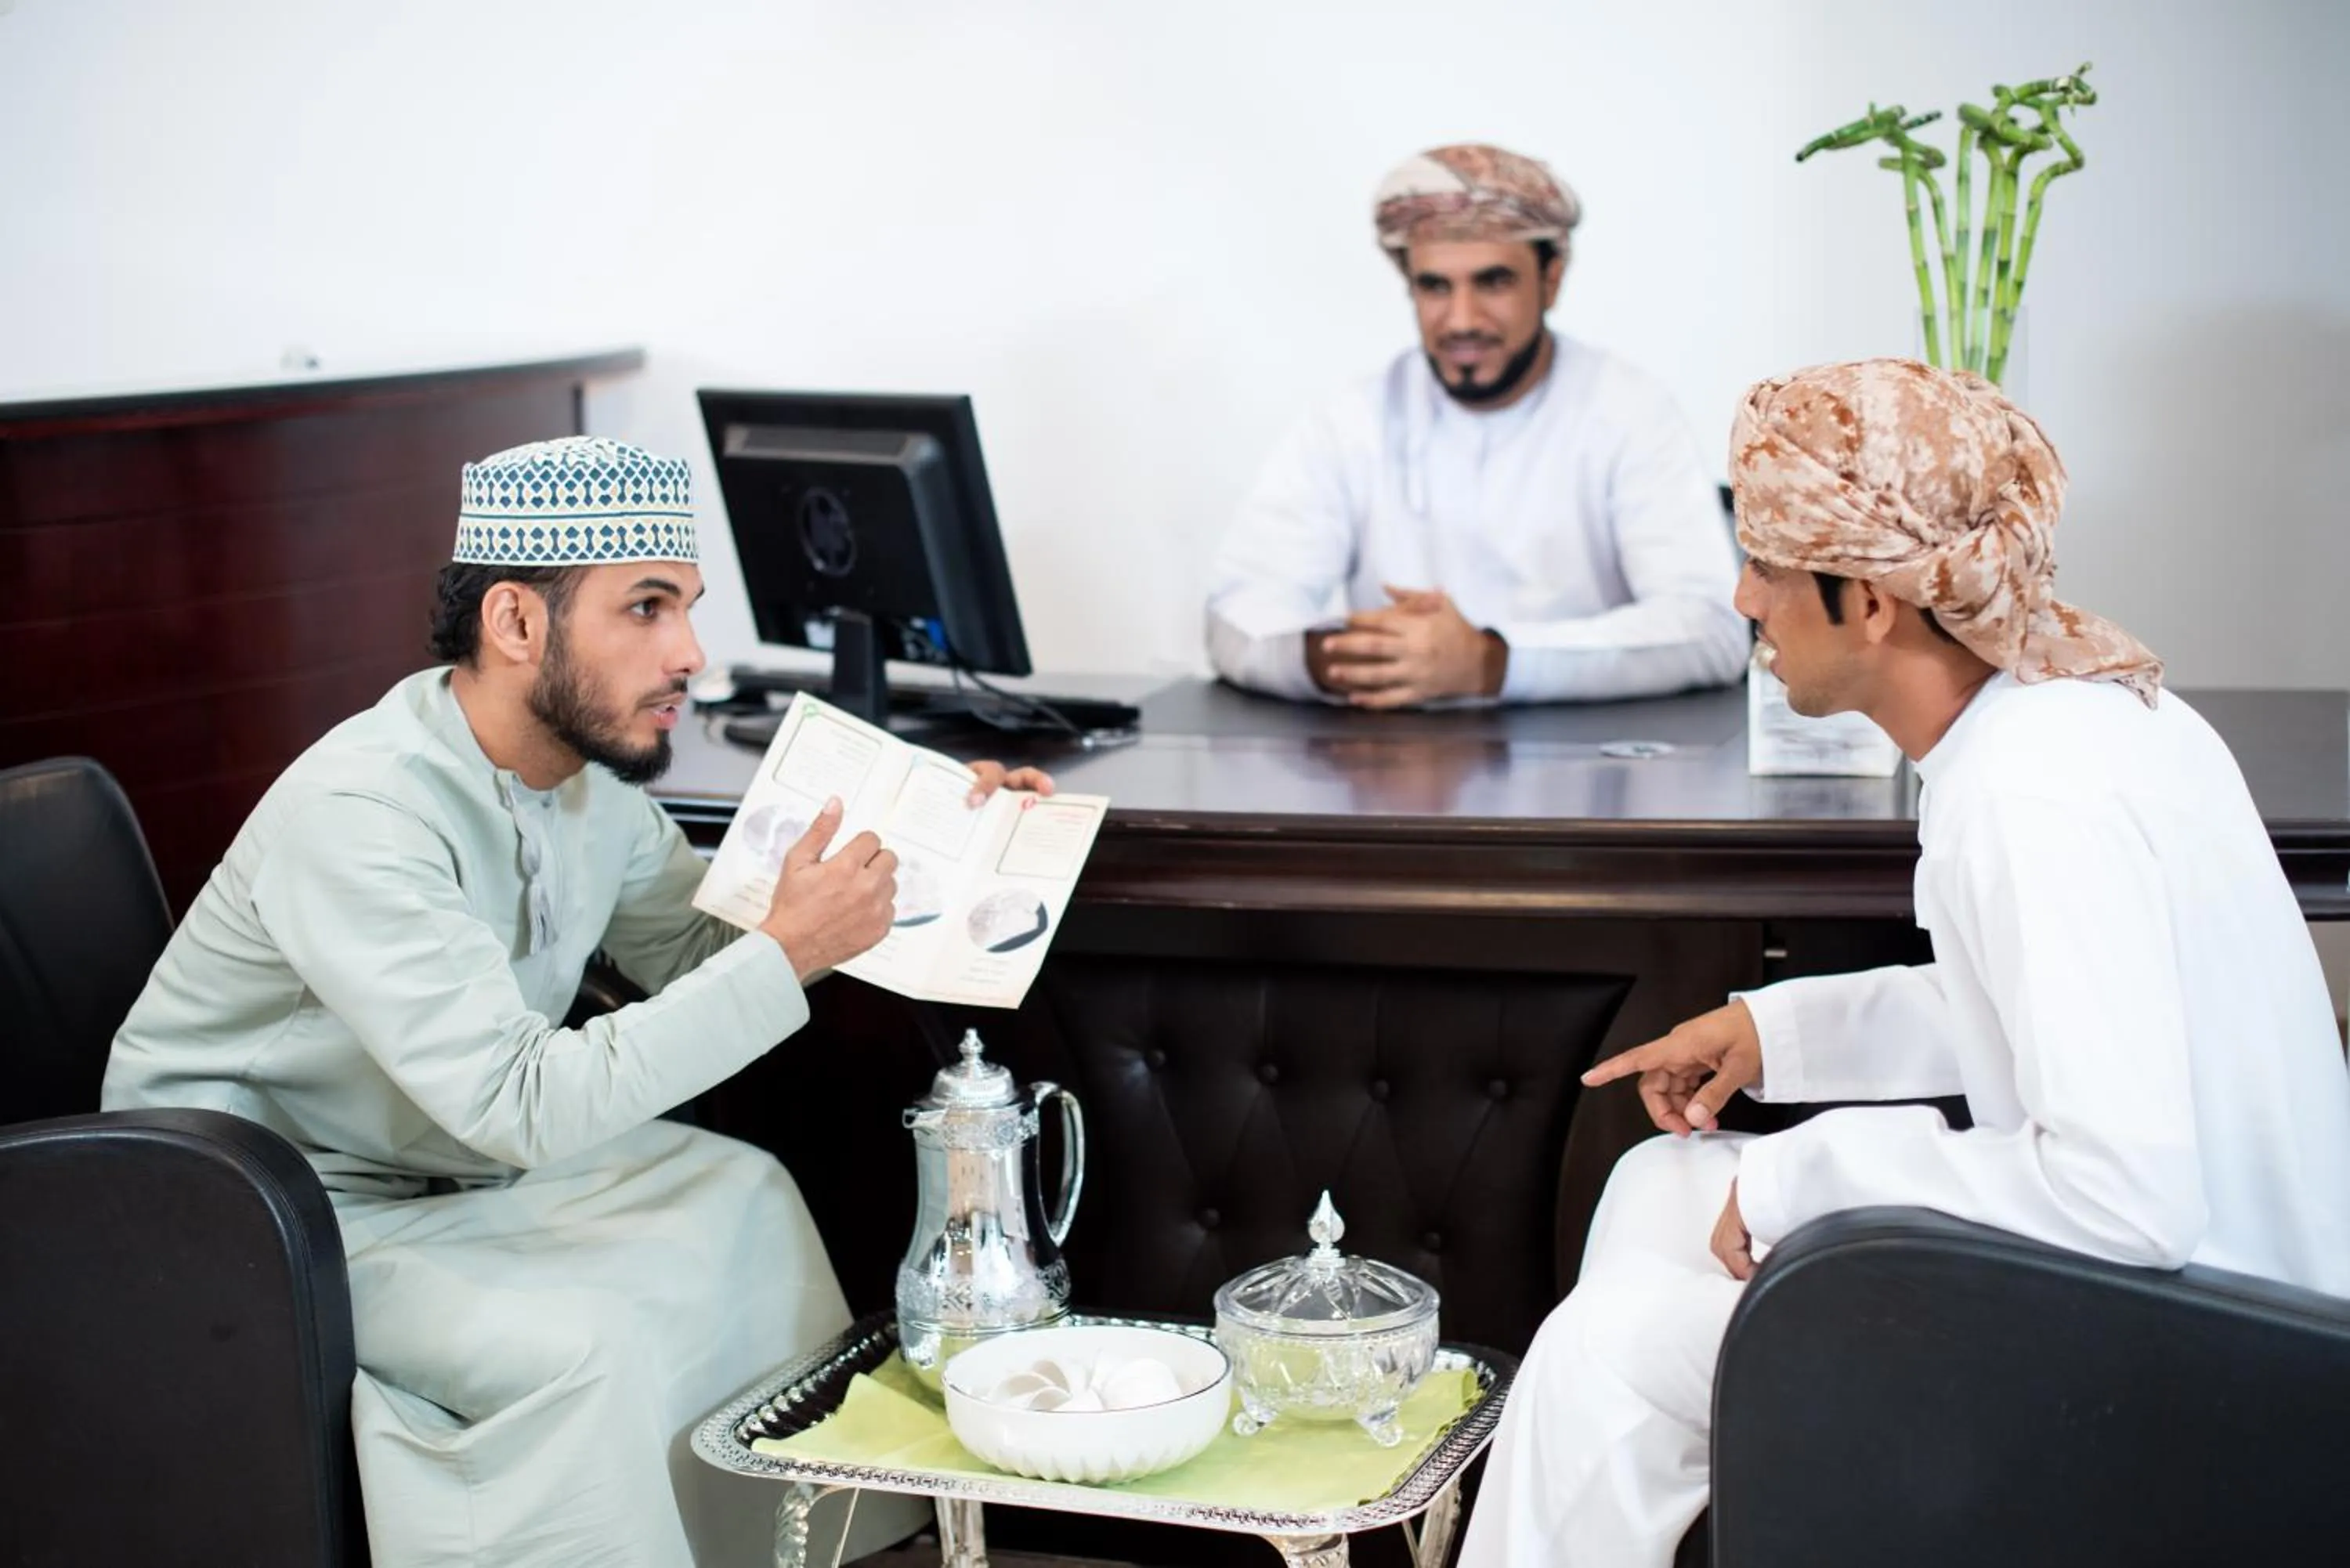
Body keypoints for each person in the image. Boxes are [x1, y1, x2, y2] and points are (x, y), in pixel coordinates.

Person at [1456, 359, 2350, 1567]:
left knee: (1599, 1355)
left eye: (1768, 562)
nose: (1742, 595)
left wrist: (1804, 1174)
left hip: (2214, 1366)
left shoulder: (2038, 796)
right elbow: (2050, 1006)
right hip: (2199, 1307)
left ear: (1874, 601)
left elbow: (2124, 1198)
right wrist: (1775, 1033)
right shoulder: (2066, 717)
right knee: (1657, 1187)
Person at [101, 435, 1051, 1568]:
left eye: (688, 609)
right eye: (645, 609)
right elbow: (522, 1104)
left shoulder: (580, 783)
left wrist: (952, 834)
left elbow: (712, 949)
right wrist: (785, 946)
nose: (691, 653)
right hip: (265, 1209)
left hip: (444, 1158)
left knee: (743, 1193)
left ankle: (809, 1552)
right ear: (515, 623)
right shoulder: (361, 812)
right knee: (581, 1339)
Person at [1206, 143, 1747, 707]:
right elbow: (1237, 614)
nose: (1461, 319)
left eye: (1493, 283)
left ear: (1552, 280)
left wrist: (1491, 661)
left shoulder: (1629, 411)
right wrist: (1343, 657)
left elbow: (1709, 629)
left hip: (1593, 772)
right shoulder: (1353, 419)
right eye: (1435, 287)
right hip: (1391, 772)